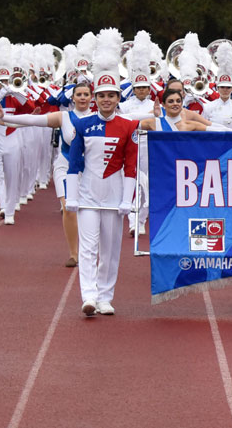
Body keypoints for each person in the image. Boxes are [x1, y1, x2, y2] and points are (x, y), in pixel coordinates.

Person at [0, 81, 95, 267]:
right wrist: (5, 119)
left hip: (90, 170)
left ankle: (88, 250)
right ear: (72, 98)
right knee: (68, 207)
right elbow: (33, 120)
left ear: (91, 97)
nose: (82, 97)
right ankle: (74, 253)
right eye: (78, 94)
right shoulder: (63, 116)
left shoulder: (98, 118)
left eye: (85, 94)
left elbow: (130, 119)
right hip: (65, 167)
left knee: (89, 211)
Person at [66, 71, 138, 317]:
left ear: (118, 97)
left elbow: (131, 166)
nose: (106, 99)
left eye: (111, 95)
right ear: (95, 98)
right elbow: (73, 164)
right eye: (102, 96)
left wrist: (127, 199)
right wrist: (72, 196)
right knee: (87, 248)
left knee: (110, 249)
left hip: (114, 196)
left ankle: (106, 297)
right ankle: (89, 295)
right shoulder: (82, 124)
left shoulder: (128, 126)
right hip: (87, 195)